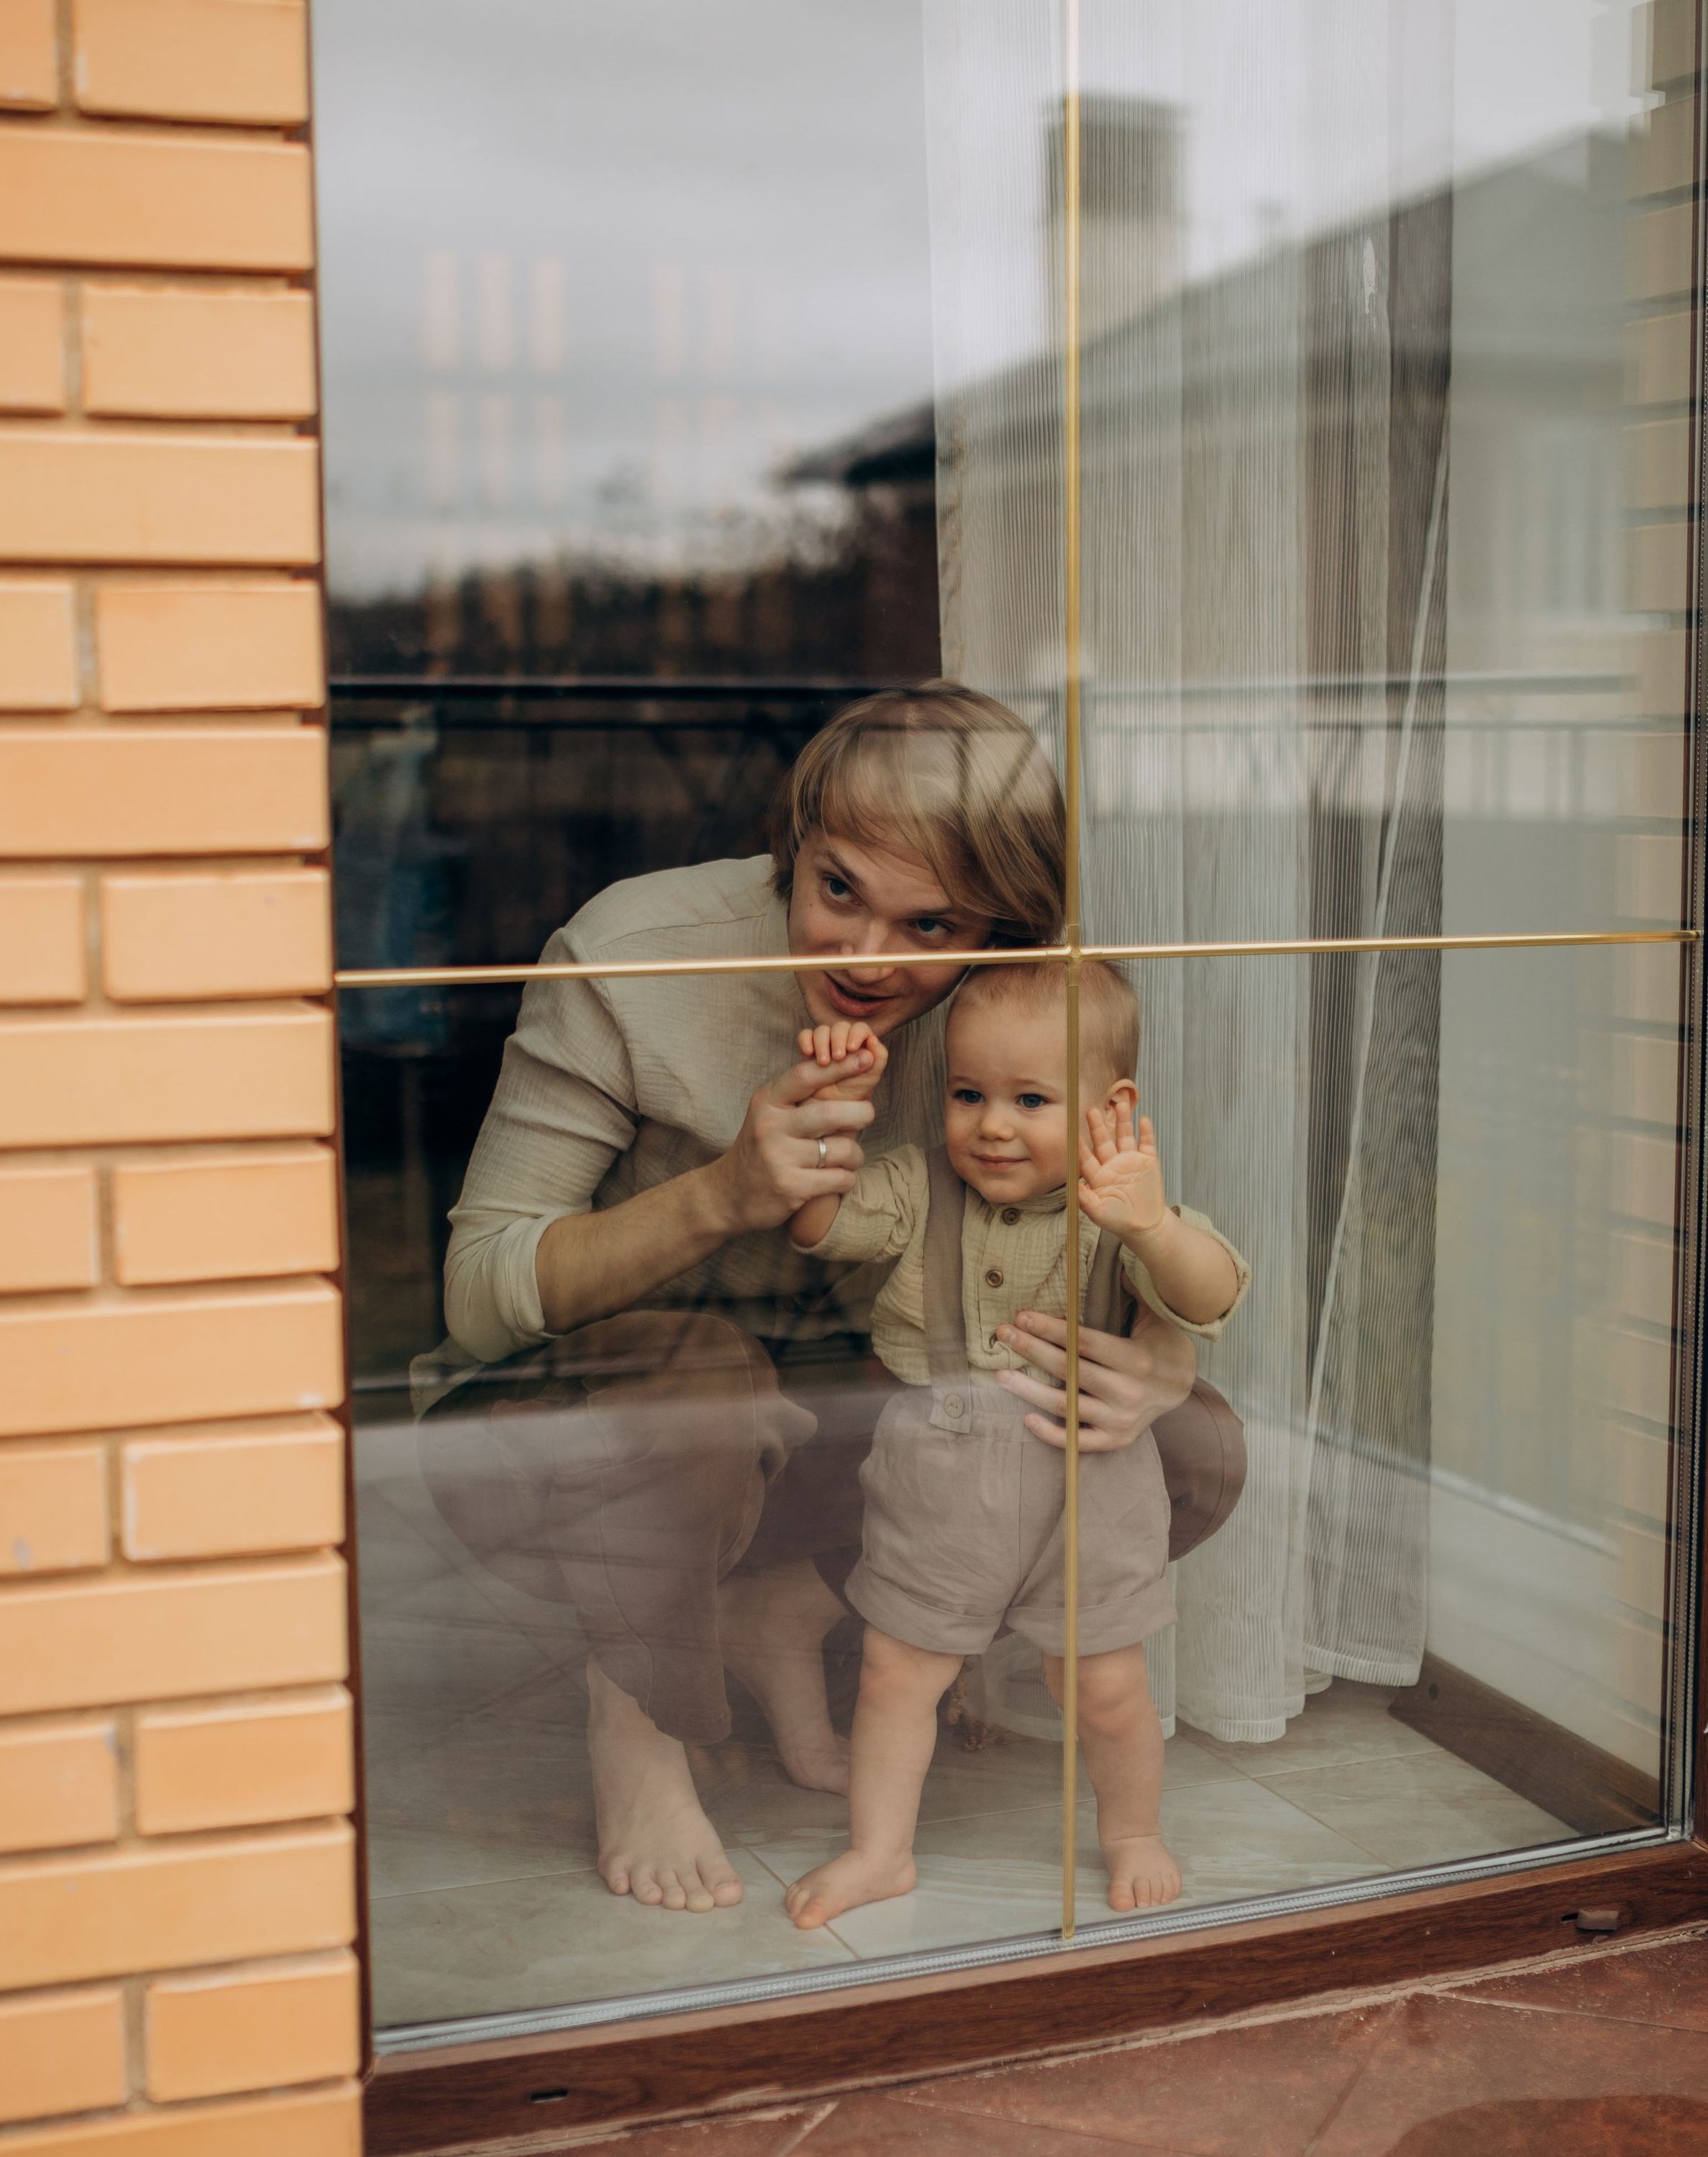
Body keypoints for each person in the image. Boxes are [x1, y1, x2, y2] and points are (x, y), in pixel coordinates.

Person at [416, 683, 1218, 1915]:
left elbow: (1120, 1222)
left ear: (998, 929)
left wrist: (1158, 1356)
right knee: (693, 1366)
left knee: (1195, 1446)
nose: (868, 958)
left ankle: (781, 1610)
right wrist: (722, 1192)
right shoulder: (632, 954)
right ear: (793, 842)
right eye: (838, 888)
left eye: (931, 923)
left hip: (850, 1411)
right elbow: (476, 1299)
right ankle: (635, 1716)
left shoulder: (1011, 1004)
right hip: (605, 1418)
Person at [779, 958, 1248, 1927]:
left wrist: (1154, 1225)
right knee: (895, 1672)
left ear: (1108, 1107)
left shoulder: (1121, 1207)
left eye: (1029, 1098)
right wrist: (830, 1111)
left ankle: (1130, 1831)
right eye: (968, 1094)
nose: (991, 1124)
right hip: (939, 1477)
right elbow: (821, 1222)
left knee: (1106, 1686)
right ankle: (880, 1851)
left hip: (1094, 1486)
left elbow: (1212, 1293)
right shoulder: (918, 1186)